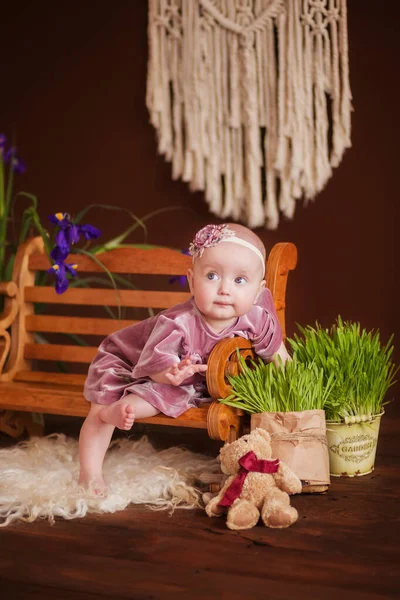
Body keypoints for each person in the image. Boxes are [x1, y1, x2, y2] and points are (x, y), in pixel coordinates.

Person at [79, 223, 291, 492]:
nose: (225, 289)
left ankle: (122, 410)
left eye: (239, 280)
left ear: (258, 291)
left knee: (167, 396)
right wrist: (170, 372)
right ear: (192, 281)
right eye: (212, 276)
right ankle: (90, 473)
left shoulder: (256, 317)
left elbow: (278, 355)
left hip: (184, 379)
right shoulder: (178, 322)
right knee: (105, 406)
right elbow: (155, 365)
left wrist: (296, 392)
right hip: (129, 360)